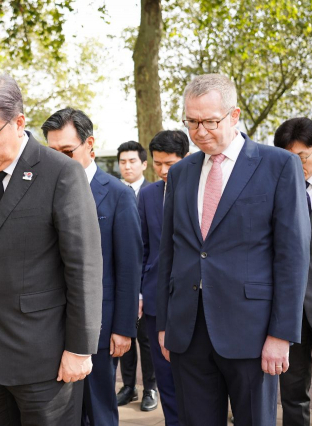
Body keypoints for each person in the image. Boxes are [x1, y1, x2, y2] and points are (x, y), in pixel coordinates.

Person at [0, 72, 103, 426]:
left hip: (44, 358)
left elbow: (84, 268)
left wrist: (79, 349)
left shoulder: (60, 173)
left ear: (18, 123)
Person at [157, 74, 310, 426]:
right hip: (188, 332)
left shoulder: (278, 166)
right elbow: (170, 251)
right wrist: (165, 323)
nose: (199, 132)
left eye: (210, 121)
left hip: (253, 334)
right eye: (191, 122)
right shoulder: (180, 173)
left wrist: (281, 334)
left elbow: (292, 256)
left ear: (234, 115)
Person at [42, 107, 142, 426]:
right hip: (49, 326)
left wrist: (124, 328)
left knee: (98, 411)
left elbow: (128, 268)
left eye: (67, 151)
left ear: (90, 144)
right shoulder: (42, 192)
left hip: (99, 328)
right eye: (52, 151)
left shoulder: (117, 195)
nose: (59, 159)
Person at [273, 117, 312, 426]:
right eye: (287, 159)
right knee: (292, 392)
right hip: (287, 312)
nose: (295, 166)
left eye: (301, 158)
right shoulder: (275, 195)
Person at [137, 131, 189, 426]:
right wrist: (140, 293)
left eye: (170, 163)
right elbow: (143, 247)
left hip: (194, 300)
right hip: (157, 301)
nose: (164, 170)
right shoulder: (147, 195)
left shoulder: (202, 190)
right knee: (166, 380)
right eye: (158, 164)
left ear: (186, 158)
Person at [116, 140, 157, 410]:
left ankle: (150, 389)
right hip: (120, 281)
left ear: (143, 164)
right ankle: (128, 386)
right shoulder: (114, 191)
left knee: (148, 341)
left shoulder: (154, 194)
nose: (127, 166)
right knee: (122, 336)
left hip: (148, 280)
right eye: (123, 161)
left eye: (132, 161)